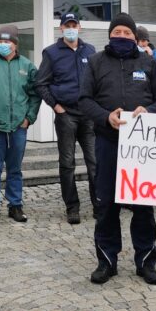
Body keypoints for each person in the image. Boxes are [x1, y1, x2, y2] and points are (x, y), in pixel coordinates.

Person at [80, 13, 156, 286]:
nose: (121, 36)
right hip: (108, 142)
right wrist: (106, 116)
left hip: (141, 148)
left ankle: (146, 261)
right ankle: (107, 261)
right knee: (107, 204)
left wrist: (148, 110)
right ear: (110, 35)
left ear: (135, 37)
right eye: (117, 32)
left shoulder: (149, 63)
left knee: (143, 205)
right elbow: (84, 100)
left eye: (127, 33)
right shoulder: (96, 62)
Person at [36, 13, 98, 224]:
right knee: (67, 163)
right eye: (67, 25)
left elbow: (98, 80)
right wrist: (56, 106)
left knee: (95, 162)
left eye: (74, 25)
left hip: (88, 116)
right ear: (61, 28)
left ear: (79, 27)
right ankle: (72, 207)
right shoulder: (51, 53)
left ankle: (99, 205)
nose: (71, 28)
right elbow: (41, 83)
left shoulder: (89, 51)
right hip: (67, 116)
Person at [0, 25, 41, 225]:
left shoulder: (27, 66)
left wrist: (29, 118)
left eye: (7, 41)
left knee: (15, 169)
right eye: (0, 41)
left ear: (15, 44)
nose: (3, 45)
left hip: (17, 128)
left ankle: (15, 205)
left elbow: (35, 94)